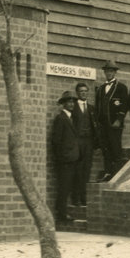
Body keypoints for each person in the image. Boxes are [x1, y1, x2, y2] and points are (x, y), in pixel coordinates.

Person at [94, 60, 129, 179]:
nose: (109, 73)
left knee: (115, 147)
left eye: (111, 71)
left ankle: (116, 173)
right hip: (103, 124)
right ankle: (108, 172)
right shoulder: (100, 89)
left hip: (114, 124)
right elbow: (98, 106)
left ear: (115, 73)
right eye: (107, 71)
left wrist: (119, 119)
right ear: (104, 72)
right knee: (105, 148)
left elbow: (124, 105)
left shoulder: (121, 87)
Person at [50, 92, 80, 222]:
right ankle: (61, 214)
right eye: (68, 102)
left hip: (72, 158)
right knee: (64, 187)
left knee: (67, 186)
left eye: (73, 102)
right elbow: (56, 141)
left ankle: (62, 212)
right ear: (63, 104)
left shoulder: (71, 118)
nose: (71, 104)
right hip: (65, 160)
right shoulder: (61, 118)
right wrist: (62, 158)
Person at [70, 82, 96, 206]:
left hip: (88, 142)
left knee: (87, 169)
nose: (84, 93)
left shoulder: (91, 108)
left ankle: (84, 198)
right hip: (78, 142)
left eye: (85, 91)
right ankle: (75, 198)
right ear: (77, 93)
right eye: (81, 91)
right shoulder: (73, 107)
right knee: (77, 170)